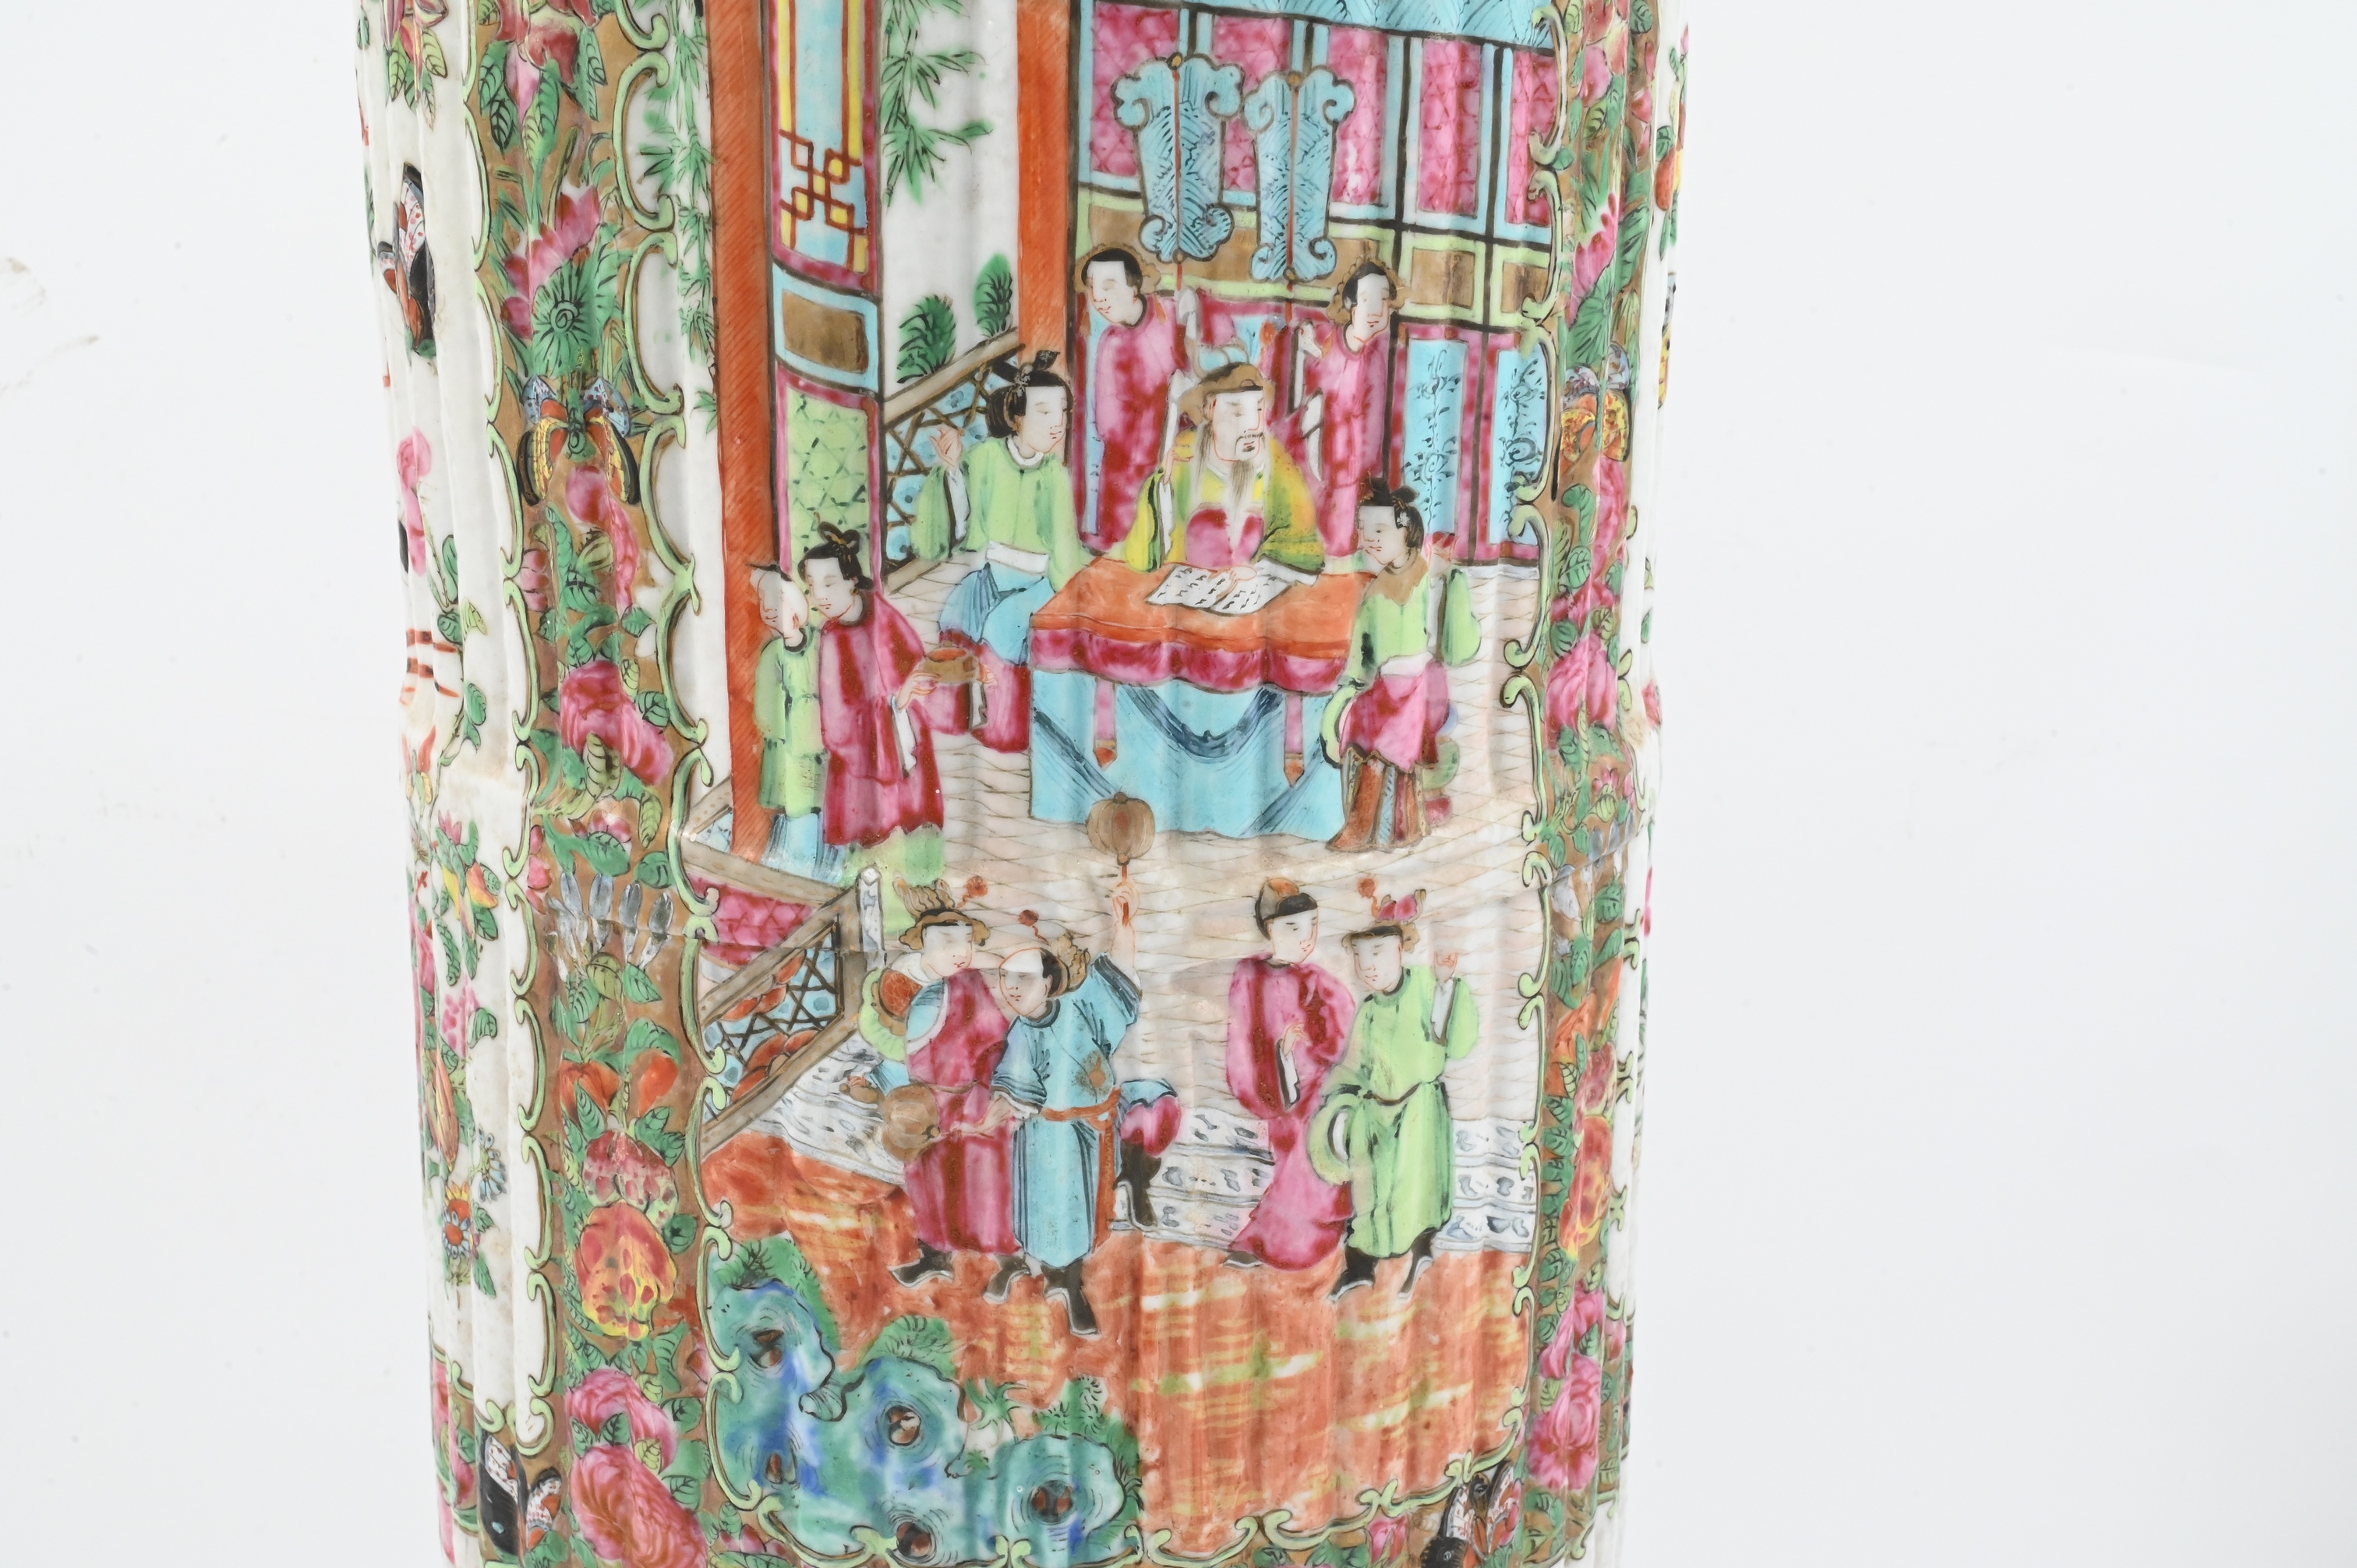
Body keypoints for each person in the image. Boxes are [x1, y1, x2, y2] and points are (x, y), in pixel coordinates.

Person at [987, 886, 1179, 1338]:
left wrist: (1124, 922)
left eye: (1024, 978)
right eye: (1006, 978)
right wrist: (982, 1120)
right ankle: (1063, 1280)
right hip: (1049, 1136)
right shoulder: (1021, 1033)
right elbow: (1014, 1091)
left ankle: (1134, 1181)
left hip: (1097, 1123)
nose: (1012, 987)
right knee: (1057, 1210)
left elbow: (1119, 973)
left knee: (1158, 1106)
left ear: (1049, 982)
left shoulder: (1082, 1006)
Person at [910, 351, 1087, 751]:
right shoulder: (986, 457)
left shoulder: (1055, 475)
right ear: (1017, 418)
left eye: (1062, 411)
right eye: (1044, 412)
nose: (1057, 423)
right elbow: (961, 524)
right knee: (957, 612)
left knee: (1002, 629)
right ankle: (954, 715)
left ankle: (1003, 730)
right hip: (992, 573)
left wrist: (1067, 597)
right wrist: (952, 468)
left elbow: (1064, 550)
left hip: (1040, 583)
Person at [1309, 890, 1477, 1301]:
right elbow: (1354, 1066)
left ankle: (1421, 1254)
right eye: (1360, 956)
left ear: (1400, 950)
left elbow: (1455, 1042)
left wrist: (1446, 985)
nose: (1368, 966)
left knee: (1415, 1191)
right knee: (1371, 1196)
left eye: (1378, 953)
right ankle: (1360, 1269)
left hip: (1419, 1110)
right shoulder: (1369, 1011)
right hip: (1376, 1118)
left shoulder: (1425, 986)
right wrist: (1339, 1103)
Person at [874, 881, 1024, 1294]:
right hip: (924, 1102)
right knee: (927, 1176)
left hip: (970, 1096)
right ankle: (935, 1253)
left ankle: (1007, 1259)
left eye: (965, 941)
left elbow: (995, 1038)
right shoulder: (902, 984)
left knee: (984, 1177)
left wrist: (989, 1091)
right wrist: (890, 1089)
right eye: (947, 942)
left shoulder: (969, 985)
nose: (959, 951)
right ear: (923, 941)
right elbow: (892, 1042)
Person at [1321, 482, 1481, 852]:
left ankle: (1364, 829)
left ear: (1406, 531)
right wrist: (1348, 692)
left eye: (1379, 530)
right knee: (1359, 730)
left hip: (1417, 686)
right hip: (1386, 688)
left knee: (1377, 744)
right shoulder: (1375, 591)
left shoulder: (1427, 573)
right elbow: (1361, 661)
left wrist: (1452, 576)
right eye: (1363, 529)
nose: (1368, 540)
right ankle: (1386, 828)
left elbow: (1456, 643)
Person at [1223, 880, 1355, 1270]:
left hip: (1320, 1089)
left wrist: (1311, 1050)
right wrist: (1279, 1063)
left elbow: (1344, 1035)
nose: (1306, 937)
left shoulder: (1317, 980)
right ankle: (1279, 1237)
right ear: (1270, 929)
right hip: (1278, 1088)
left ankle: (1275, 1239)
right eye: (1293, 927)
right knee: (1293, 1146)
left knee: (1314, 1146)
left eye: (1312, 926)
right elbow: (1242, 1037)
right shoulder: (1250, 974)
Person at [803, 526, 958, 852]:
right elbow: (839, 726)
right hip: (861, 771)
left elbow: (917, 664)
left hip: (907, 743)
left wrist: (921, 688)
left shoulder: (882, 613)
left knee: (918, 840)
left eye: (829, 583)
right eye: (812, 586)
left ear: (852, 580)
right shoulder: (832, 640)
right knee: (870, 847)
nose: (820, 596)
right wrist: (895, 702)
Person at [1121, 362, 1323, 582]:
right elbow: (1144, 556)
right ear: (1210, 410)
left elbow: (1301, 537)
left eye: (1258, 409)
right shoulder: (1185, 453)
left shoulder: (1275, 459)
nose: (1253, 426)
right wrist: (1164, 487)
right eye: (1238, 413)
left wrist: (1260, 570)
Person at [1074, 244, 1199, 553]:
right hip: (1127, 466)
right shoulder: (1110, 344)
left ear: (1134, 287)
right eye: (1092, 288)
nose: (1098, 298)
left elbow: (1202, 371)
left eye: (1108, 286)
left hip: (1178, 452)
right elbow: (1108, 424)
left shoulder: (1173, 314)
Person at [1298, 257, 1402, 558]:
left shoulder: (1377, 359)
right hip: (1317, 458)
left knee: (1347, 545)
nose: (1376, 311)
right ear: (1350, 303)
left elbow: (1376, 428)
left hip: (1355, 470)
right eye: (1367, 299)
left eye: (1384, 300)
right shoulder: (1327, 342)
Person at [747, 564, 843, 881]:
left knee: (829, 808)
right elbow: (766, 712)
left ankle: (828, 873)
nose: (771, 611)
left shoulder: (821, 643)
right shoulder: (773, 654)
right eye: (766, 605)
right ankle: (797, 874)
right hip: (790, 750)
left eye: (778, 603)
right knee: (798, 814)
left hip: (826, 745)